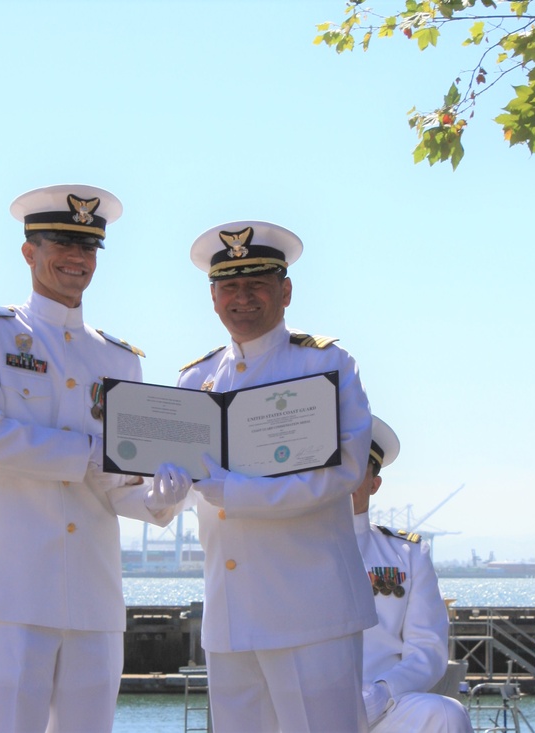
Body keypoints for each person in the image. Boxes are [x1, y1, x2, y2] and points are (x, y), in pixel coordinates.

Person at [0, 184, 191, 733]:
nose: (77, 258)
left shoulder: (119, 359)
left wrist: (159, 499)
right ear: (29, 251)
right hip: (10, 586)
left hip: (93, 592)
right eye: (61, 242)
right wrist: (87, 454)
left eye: (89, 247)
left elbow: (117, 482)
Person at [175, 220, 378, 732]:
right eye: (228, 287)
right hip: (229, 614)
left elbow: (344, 470)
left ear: (285, 291)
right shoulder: (195, 379)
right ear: (213, 297)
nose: (241, 298)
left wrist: (232, 492)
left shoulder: (327, 363)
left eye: (256, 284)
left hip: (310, 610)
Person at [354, 416, 473, 732]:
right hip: (305, 703)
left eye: (354, 466)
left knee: (446, 715)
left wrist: (384, 691)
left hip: (385, 707)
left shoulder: (406, 554)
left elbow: (426, 649)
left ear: (374, 483)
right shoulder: (289, 550)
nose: (342, 477)